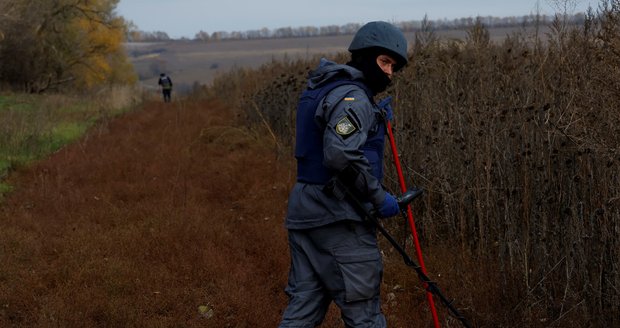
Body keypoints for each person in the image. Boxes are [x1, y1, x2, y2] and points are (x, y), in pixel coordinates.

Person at [278, 21, 408, 328]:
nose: (389, 72)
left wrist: (373, 118)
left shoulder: (325, 87)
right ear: (364, 57)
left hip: (305, 213)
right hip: (338, 218)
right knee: (364, 315)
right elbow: (339, 153)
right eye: (384, 62)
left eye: (393, 66)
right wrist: (380, 198)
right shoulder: (354, 97)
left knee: (303, 309)